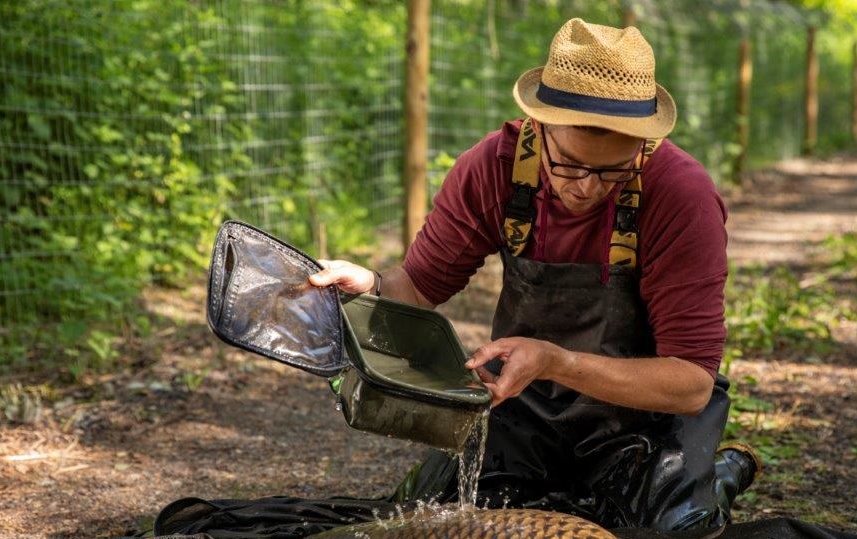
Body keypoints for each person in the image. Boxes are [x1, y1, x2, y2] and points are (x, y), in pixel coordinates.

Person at [306, 17, 759, 537]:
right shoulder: (493, 168)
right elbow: (419, 286)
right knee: (432, 516)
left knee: (672, 528)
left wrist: (557, 360)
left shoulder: (681, 194)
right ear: (539, 127)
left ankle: (719, 475)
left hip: (645, 414)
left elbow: (691, 384)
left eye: (612, 170)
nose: (587, 189)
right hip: (525, 400)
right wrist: (371, 286)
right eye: (569, 165)